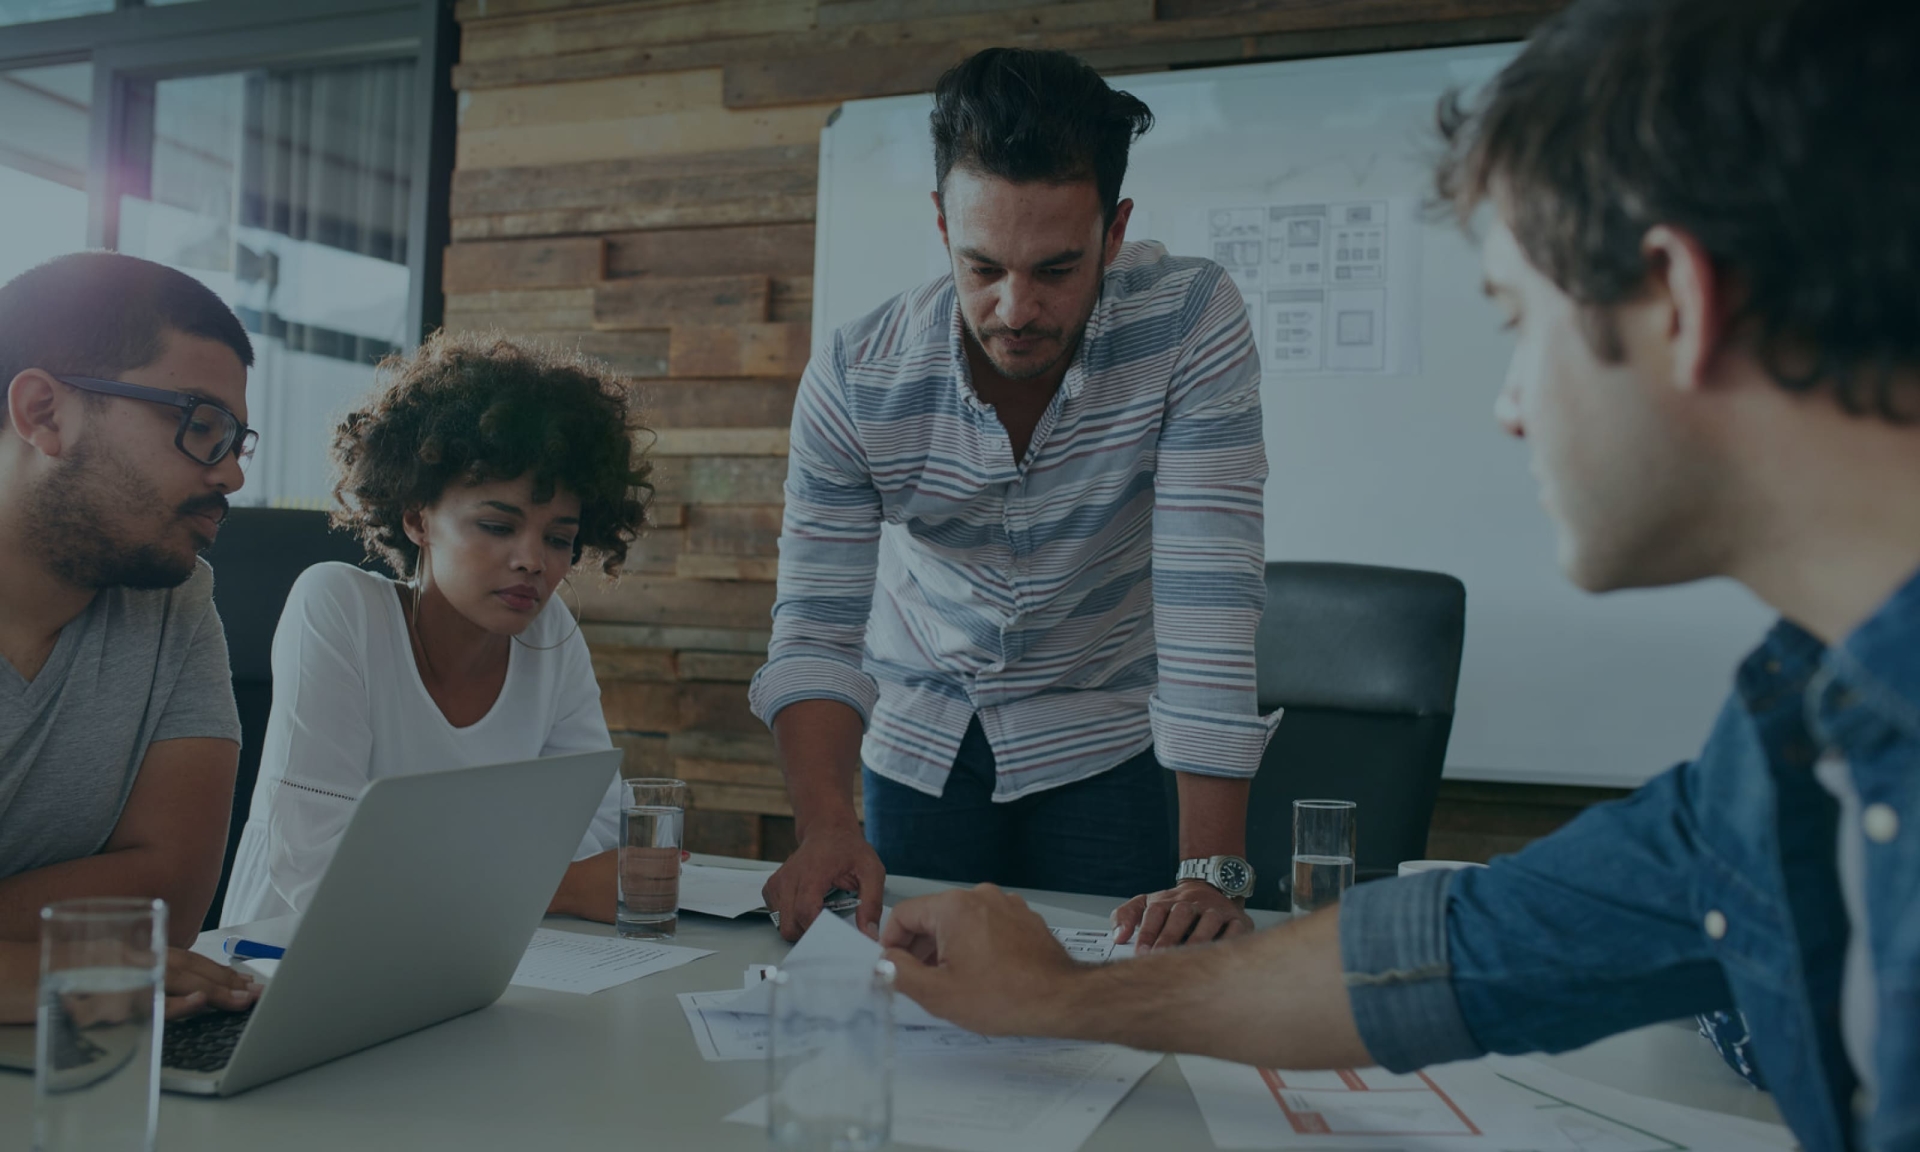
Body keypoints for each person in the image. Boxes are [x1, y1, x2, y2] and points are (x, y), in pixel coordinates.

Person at [877, 2, 1919, 1150]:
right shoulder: (1790, 750)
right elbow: (1464, 950)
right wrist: (1067, 999)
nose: (1510, 406)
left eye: (1521, 322)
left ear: (1680, 304)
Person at [753, 48, 1277, 945]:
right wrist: (826, 825)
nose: (1015, 307)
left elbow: (1208, 599)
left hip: (1101, 732)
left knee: (1112, 1005)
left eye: (1057, 269)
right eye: (983, 265)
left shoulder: (1190, 321)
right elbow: (815, 626)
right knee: (918, 1012)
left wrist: (1208, 873)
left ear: (1114, 235)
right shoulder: (856, 376)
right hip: (922, 735)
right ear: (940, 222)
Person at [220, 331, 651, 927]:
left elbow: (603, 831)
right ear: (418, 518)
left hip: (473, 955)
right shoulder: (338, 605)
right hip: (281, 967)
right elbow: (320, 868)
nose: (534, 560)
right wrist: (563, 887)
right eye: (498, 526)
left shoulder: (549, 636)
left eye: (558, 538)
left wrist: (456, 872)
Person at [0, 252, 261, 1016]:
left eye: (235, 439)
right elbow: (121, 944)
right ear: (44, 413)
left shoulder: (174, 600)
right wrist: (33, 971)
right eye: (198, 424)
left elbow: (167, 908)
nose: (231, 477)